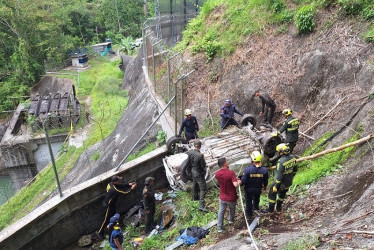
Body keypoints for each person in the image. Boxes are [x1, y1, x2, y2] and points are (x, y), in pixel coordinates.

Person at [262, 143, 297, 213]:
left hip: (281, 183)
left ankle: (270, 209)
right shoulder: (293, 157)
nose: (278, 153)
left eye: (279, 151)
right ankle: (279, 207)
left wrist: (276, 186)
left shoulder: (281, 162)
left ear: (282, 152)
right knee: (282, 194)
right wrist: (290, 177)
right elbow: (295, 170)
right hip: (288, 182)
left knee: (272, 194)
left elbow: (279, 176)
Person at [240, 151, 268, 218]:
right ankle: (256, 208)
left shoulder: (248, 169)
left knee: (248, 201)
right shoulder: (264, 170)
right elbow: (265, 181)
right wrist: (265, 186)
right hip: (258, 189)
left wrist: (240, 182)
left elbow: (243, 181)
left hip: (249, 189)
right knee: (256, 198)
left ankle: (249, 214)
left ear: (252, 159)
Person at [215, 157, 239, 233]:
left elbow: (223, 180)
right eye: (227, 161)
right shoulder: (231, 173)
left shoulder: (217, 174)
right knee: (232, 209)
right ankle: (231, 220)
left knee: (221, 211)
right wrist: (239, 181)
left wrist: (233, 179)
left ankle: (219, 228)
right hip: (231, 197)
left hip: (222, 197)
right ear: (225, 164)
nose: (228, 162)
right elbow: (235, 184)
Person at [189, 139, 208, 212]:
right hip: (198, 173)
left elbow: (188, 162)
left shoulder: (190, 153)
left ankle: (195, 197)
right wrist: (203, 158)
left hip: (193, 171)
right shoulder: (200, 156)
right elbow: (203, 165)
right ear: (200, 146)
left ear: (194, 146)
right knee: (203, 189)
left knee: (194, 183)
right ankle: (201, 205)